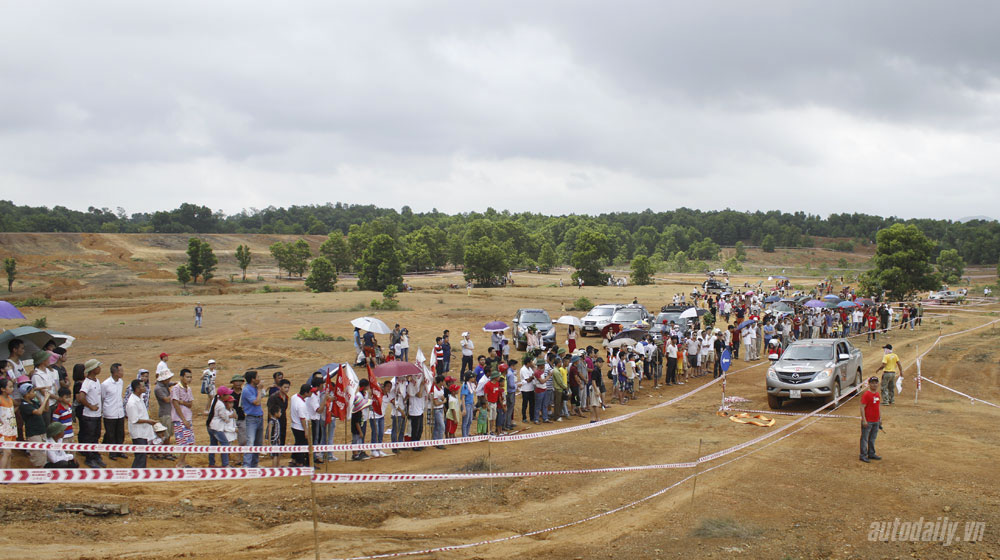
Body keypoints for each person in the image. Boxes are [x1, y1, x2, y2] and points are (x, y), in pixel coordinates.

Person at [77, 359, 105, 468]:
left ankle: (95, 455)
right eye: (98, 366)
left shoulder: (96, 380)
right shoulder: (87, 383)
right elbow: (81, 397)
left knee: (96, 435)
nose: (100, 368)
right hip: (89, 416)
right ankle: (89, 458)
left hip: (96, 415)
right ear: (93, 369)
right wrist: (90, 406)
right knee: (89, 437)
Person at [125, 378, 157, 469]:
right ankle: (136, 474)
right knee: (140, 455)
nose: (145, 388)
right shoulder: (132, 403)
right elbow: (134, 419)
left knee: (142, 455)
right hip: (138, 433)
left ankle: (138, 474)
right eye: (143, 386)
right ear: (137, 389)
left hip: (143, 432)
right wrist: (149, 421)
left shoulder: (140, 398)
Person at [101, 362, 128, 461]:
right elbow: (103, 398)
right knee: (111, 434)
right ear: (115, 372)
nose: (123, 372)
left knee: (120, 433)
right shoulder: (105, 384)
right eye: (121, 370)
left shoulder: (120, 382)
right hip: (110, 413)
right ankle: (112, 452)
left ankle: (119, 450)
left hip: (119, 412)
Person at [19, 382, 49, 467]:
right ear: (26, 394)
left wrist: (46, 399)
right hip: (33, 433)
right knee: (37, 455)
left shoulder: (33, 402)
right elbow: (39, 412)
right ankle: (36, 477)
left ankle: (41, 476)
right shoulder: (24, 405)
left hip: (41, 431)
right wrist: (46, 398)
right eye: (32, 392)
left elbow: (46, 409)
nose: (34, 393)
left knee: (43, 454)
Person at [171, 368, 195, 468]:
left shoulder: (188, 388)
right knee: (183, 442)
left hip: (187, 418)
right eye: (187, 377)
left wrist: (182, 402)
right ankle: (180, 463)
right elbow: (175, 404)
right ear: (181, 377)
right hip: (180, 419)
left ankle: (182, 462)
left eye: (190, 377)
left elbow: (190, 404)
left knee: (189, 441)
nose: (189, 379)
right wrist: (183, 419)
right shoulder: (176, 388)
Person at [207, 386, 237, 467]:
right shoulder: (221, 405)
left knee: (213, 444)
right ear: (223, 395)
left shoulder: (215, 399)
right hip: (217, 428)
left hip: (210, 425)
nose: (228, 396)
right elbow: (225, 418)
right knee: (225, 443)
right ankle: (225, 464)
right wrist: (231, 416)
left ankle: (211, 463)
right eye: (227, 394)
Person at [241, 371, 265, 468]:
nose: (259, 378)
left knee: (258, 442)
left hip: (259, 417)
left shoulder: (254, 388)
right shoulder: (247, 390)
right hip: (251, 418)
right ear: (253, 379)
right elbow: (256, 402)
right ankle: (246, 465)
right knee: (250, 441)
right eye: (257, 377)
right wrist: (259, 390)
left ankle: (254, 464)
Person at [859, 376, 882, 463]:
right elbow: (862, 407)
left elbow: (878, 406)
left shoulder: (877, 394)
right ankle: (863, 455)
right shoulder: (866, 395)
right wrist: (864, 420)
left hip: (876, 420)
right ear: (869, 384)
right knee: (864, 438)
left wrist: (880, 418)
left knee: (872, 438)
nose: (874, 384)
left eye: (876, 383)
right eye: (872, 383)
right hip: (868, 420)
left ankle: (871, 453)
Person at [289, 383, 311, 467]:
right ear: (306, 393)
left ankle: (294, 460)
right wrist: (306, 431)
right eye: (310, 392)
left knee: (298, 443)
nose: (311, 393)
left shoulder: (294, 397)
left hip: (294, 425)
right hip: (300, 427)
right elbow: (302, 419)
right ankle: (299, 462)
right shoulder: (301, 404)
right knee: (302, 446)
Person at [351, 379, 372, 461]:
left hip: (364, 417)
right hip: (360, 417)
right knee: (357, 436)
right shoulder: (358, 395)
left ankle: (360, 450)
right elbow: (364, 404)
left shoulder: (365, 394)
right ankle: (356, 453)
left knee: (362, 436)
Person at [266, 378, 290, 446]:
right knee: (275, 436)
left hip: (283, 419)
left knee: (282, 435)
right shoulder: (273, 397)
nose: (287, 389)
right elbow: (270, 411)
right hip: (275, 420)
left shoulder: (286, 397)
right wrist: (272, 422)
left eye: (288, 387)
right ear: (280, 387)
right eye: (285, 387)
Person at [407, 374, 426, 451]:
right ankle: (414, 445)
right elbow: (419, 395)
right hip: (414, 411)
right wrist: (421, 386)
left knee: (420, 429)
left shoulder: (416, 384)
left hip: (420, 409)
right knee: (415, 429)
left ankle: (417, 443)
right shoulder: (411, 385)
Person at [0, 378, 16, 469]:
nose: (12, 389)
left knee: (9, 453)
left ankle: (8, 475)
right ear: (2, 389)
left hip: (11, 429)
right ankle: (2, 476)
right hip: (2, 430)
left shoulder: (10, 399)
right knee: (7, 452)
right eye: (10, 387)